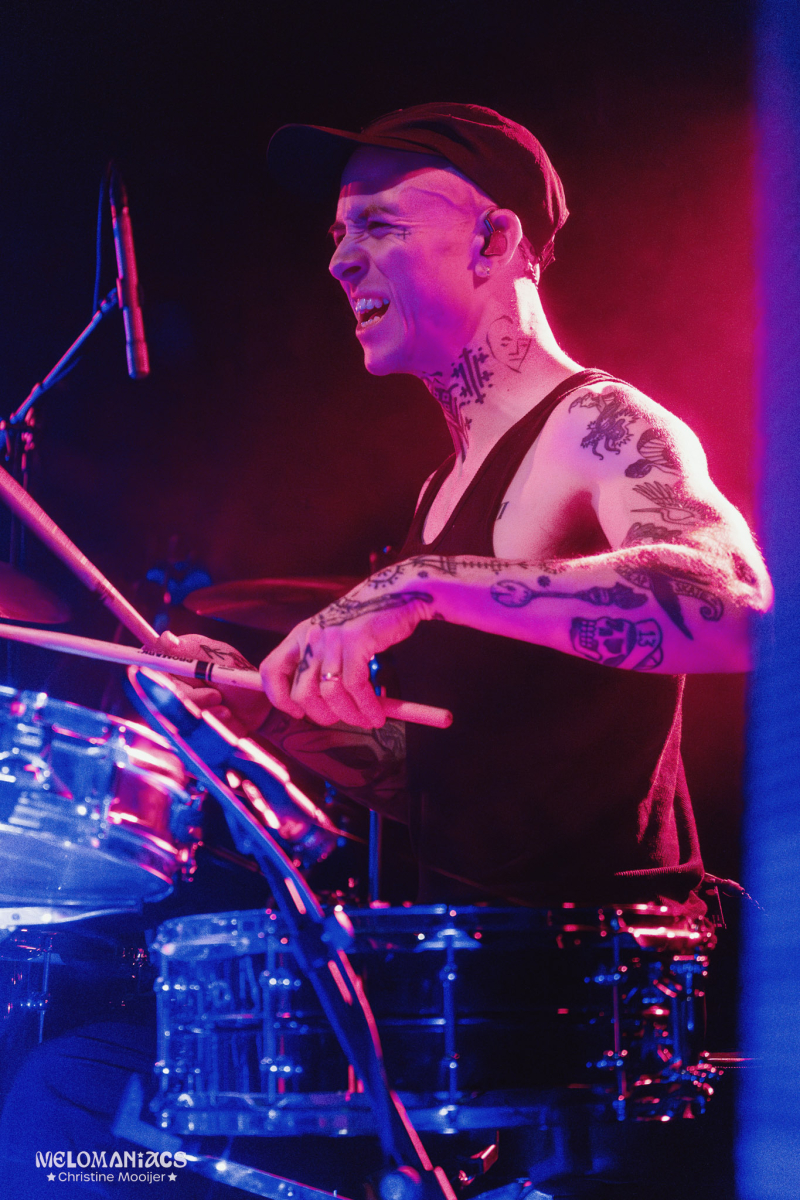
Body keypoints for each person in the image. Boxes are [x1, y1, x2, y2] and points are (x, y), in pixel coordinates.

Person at [169, 102, 771, 914]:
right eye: (338, 234)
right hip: (474, 963)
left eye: (378, 226)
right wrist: (271, 715)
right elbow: (447, 777)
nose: (339, 261)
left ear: (495, 239)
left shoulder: (600, 424)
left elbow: (738, 609)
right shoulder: (440, 489)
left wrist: (419, 583)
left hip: (608, 966)